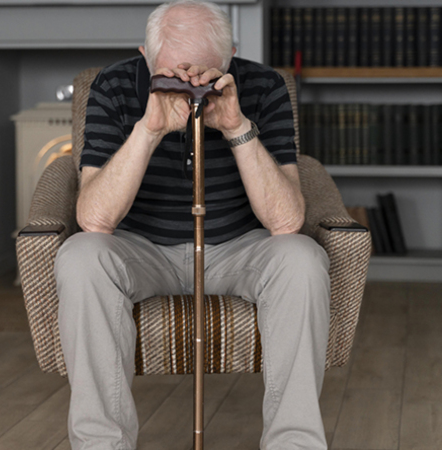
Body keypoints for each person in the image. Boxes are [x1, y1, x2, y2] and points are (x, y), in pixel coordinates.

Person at [54, 1, 330, 449]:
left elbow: (286, 222)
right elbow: (94, 219)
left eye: (204, 75)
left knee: (302, 259)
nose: (189, 87)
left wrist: (237, 128)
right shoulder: (114, 85)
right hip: (141, 249)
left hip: (238, 249)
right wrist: (149, 129)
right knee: (81, 257)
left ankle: (294, 444)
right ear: (145, 57)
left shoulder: (265, 85)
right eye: (170, 75)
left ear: (231, 57)